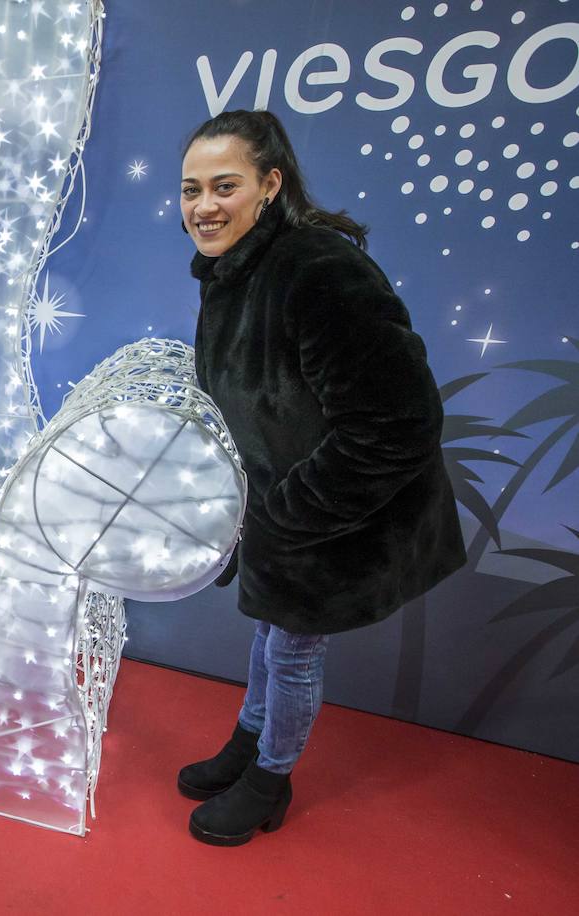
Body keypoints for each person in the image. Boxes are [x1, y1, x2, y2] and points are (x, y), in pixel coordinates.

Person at [177, 109, 464, 846]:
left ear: (270, 185)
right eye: (190, 189)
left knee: (294, 646)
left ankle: (271, 779)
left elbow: (398, 422)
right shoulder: (233, 272)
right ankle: (247, 743)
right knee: (270, 634)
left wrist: (287, 515)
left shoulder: (318, 267)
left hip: (337, 512)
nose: (203, 206)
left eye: (224, 186)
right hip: (282, 506)